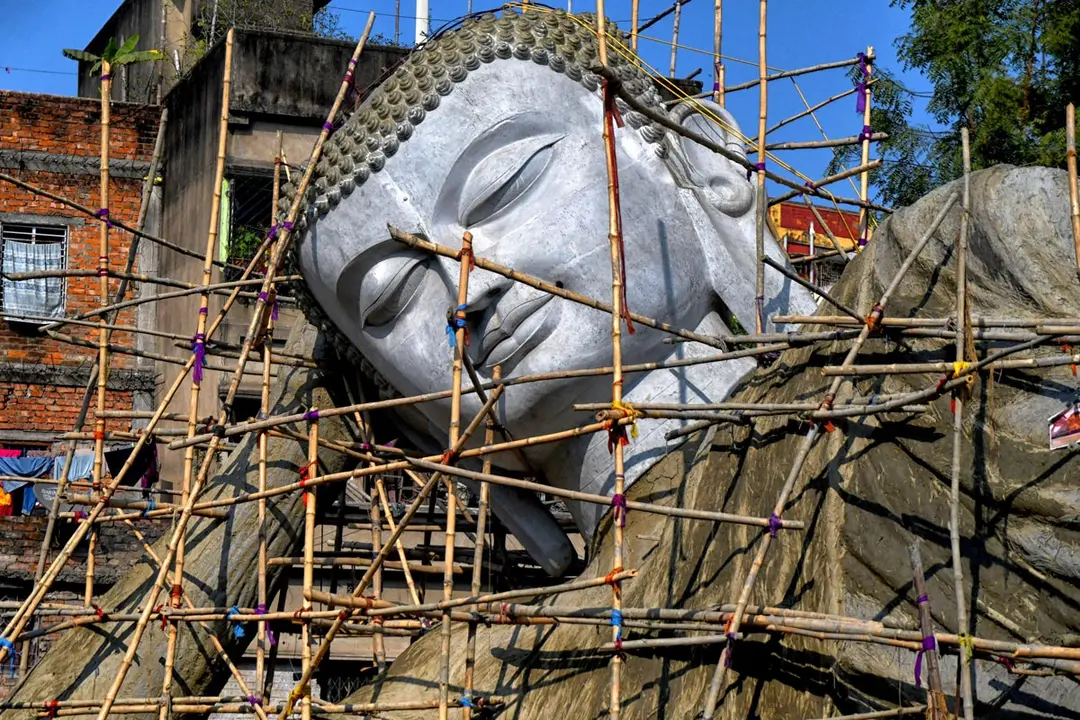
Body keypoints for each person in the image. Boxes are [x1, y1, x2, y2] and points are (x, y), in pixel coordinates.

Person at [291, 10, 816, 573]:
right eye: (390, 298)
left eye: (503, 187)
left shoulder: (903, 399)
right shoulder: (478, 662)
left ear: (700, 163)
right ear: (416, 427)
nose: (467, 287)